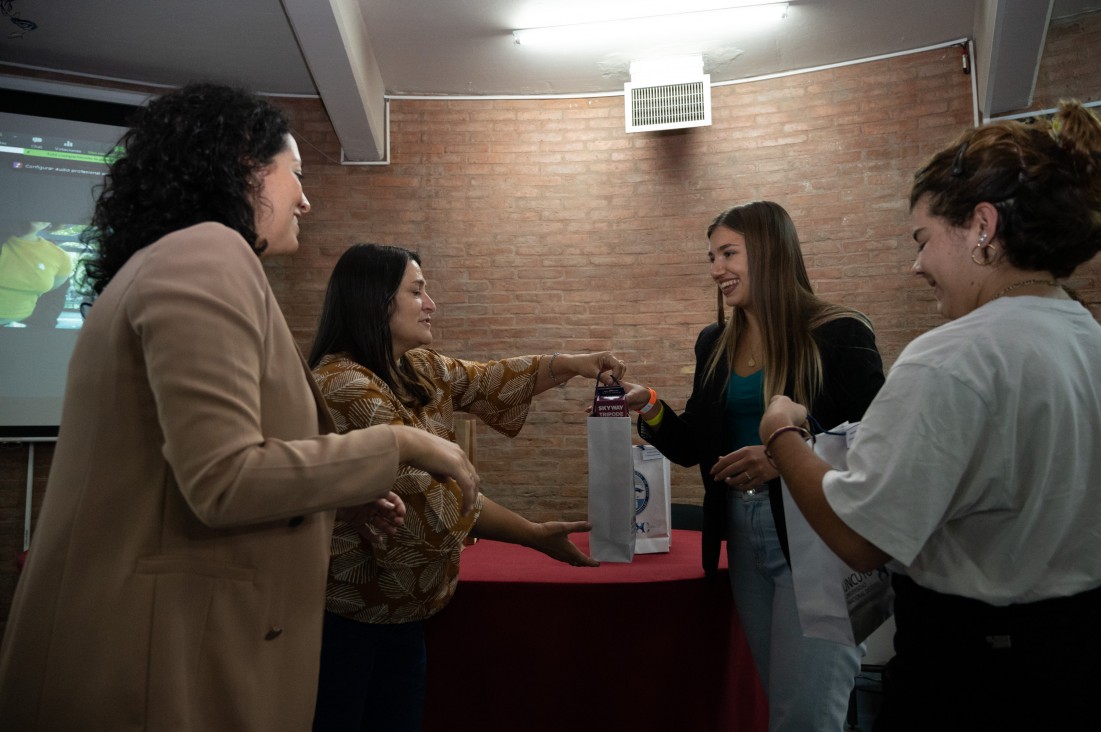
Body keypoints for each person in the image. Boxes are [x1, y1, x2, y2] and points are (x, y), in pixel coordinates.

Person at [0, 84, 479, 731]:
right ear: (244, 167)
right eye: (296, 175)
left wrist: (334, 498)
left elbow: (185, 473)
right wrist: (402, 444)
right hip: (153, 666)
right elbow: (222, 479)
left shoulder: (187, 259)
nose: (305, 199)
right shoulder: (206, 253)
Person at [758, 100, 1101, 731]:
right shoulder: (1085, 337)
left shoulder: (953, 356)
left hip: (975, 675)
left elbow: (858, 539)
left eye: (923, 240)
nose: (917, 265)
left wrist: (781, 435)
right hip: (1073, 655)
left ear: (982, 227)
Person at [307, 242, 624, 732]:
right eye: (417, 291)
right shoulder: (344, 384)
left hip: (404, 613)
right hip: (349, 616)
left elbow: (490, 379)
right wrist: (533, 535)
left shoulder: (418, 368)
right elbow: (432, 505)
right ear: (375, 301)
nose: (431, 304)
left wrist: (571, 363)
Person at [619, 201, 885, 731]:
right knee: (781, 706)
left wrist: (782, 453)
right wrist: (647, 403)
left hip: (815, 532)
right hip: (742, 535)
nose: (716, 268)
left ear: (769, 251)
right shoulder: (715, 343)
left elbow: (875, 436)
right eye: (712, 256)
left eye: (728, 253)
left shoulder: (839, 331)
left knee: (806, 716)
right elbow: (694, 444)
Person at [0, 220, 73, 327]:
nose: (41, 215)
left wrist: (45, 323)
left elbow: (55, 293)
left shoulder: (61, 257)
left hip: (24, 328)